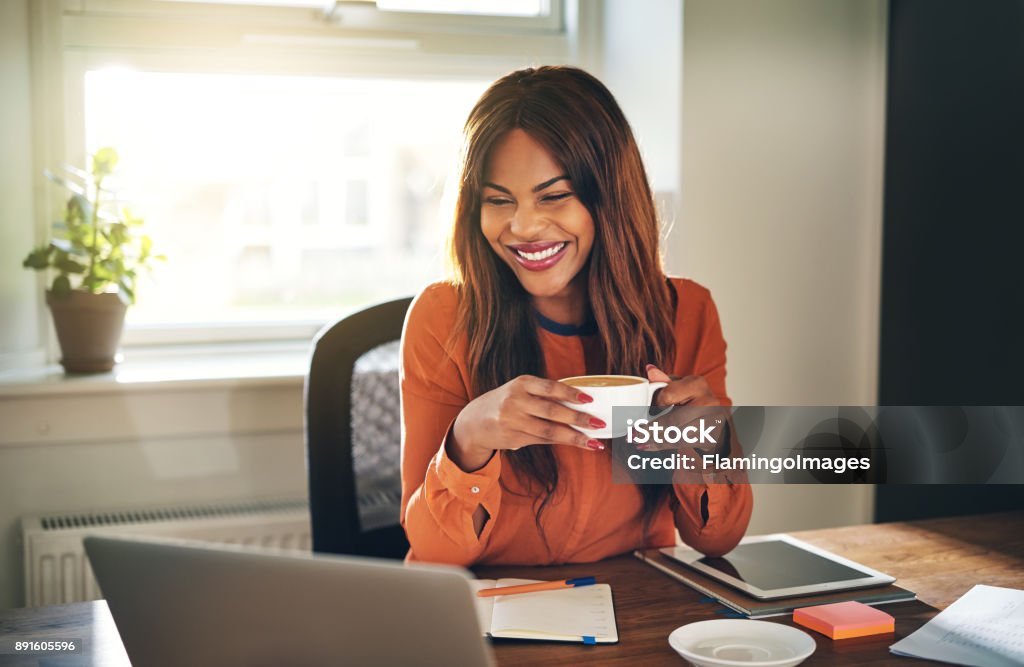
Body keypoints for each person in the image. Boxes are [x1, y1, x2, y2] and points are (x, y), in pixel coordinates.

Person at [399, 65, 752, 566]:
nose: (522, 226)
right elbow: (434, 554)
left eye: (554, 196)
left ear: (609, 197)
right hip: (489, 619)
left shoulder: (685, 312)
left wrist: (706, 443)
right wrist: (468, 437)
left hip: (631, 610)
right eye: (498, 201)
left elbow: (718, 539)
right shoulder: (443, 317)